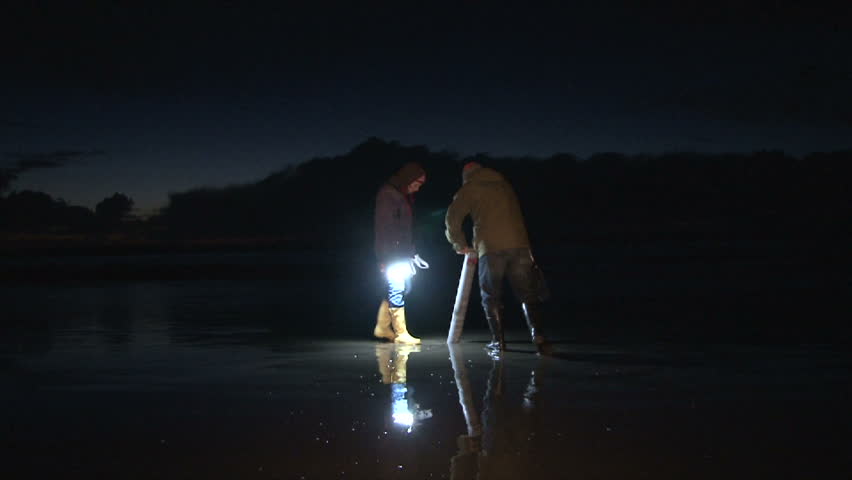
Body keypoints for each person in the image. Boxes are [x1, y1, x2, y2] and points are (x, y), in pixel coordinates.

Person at [444, 162, 551, 355]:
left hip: (491, 248)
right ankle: (539, 337)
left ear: (467, 176)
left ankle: (499, 343)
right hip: (520, 246)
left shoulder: (470, 188)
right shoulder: (504, 184)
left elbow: (452, 218)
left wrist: (459, 245)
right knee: (528, 294)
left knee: (491, 296)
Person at [373, 161, 428, 344]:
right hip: (392, 253)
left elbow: (404, 229)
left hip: (400, 252)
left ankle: (382, 327)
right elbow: (385, 228)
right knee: (397, 287)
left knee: (402, 287)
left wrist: (411, 252)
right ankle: (400, 332)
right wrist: (385, 258)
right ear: (408, 179)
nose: (417, 188)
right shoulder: (389, 195)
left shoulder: (400, 195)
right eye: (416, 183)